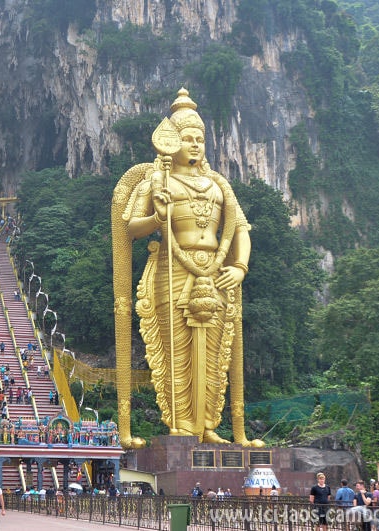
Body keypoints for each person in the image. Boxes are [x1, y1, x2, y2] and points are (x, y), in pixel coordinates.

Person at [113, 87, 262, 448]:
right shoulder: (157, 180)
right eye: (187, 138)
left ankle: (210, 425)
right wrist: (156, 216)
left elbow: (240, 228)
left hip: (215, 271)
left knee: (215, 353)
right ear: (170, 141)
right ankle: (179, 425)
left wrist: (239, 266)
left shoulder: (218, 185)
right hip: (172, 271)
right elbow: (128, 226)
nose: (194, 145)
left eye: (200, 138)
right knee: (174, 350)